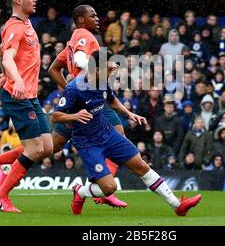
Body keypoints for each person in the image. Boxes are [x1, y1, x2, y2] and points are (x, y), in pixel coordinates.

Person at [52, 50, 201, 216]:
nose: (112, 71)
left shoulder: (102, 82)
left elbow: (112, 100)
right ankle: (80, 192)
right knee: (109, 188)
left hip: (107, 133)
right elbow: (56, 117)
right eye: (109, 68)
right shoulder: (74, 89)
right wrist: (74, 115)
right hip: (87, 143)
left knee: (140, 165)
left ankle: (177, 206)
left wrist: (129, 114)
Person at [0, 0, 53, 212]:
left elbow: (5, 53)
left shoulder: (27, 23)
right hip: (18, 96)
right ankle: (0, 196)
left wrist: (4, 74)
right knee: (33, 150)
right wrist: (15, 79)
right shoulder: (15, 26)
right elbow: (9, 56)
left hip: (30, 96)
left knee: (47, 147)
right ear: (18, 1)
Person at [48, 5, 129, 208]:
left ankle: (0, 166)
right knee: (119, 138)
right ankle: (99, 190)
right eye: (92, 15)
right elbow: (80, 59)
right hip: (89, 96)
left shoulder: (71, 42)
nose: (97, 18)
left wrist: (69, 89)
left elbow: (53, 69)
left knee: (52, 146)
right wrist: (100, 69)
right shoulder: (84, 34)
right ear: (81, 20)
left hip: (83, 98)